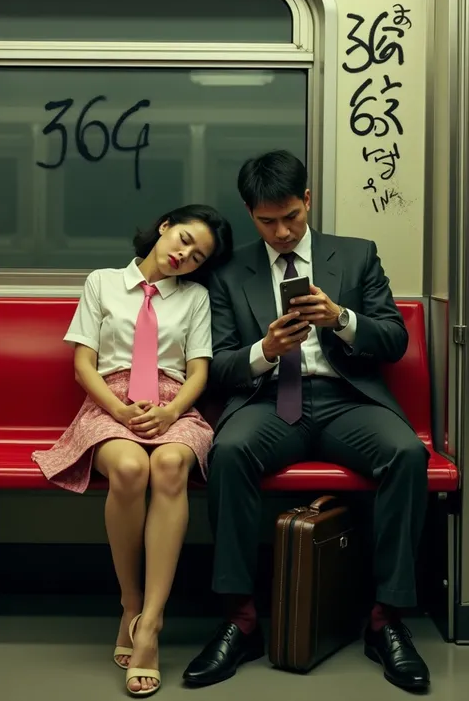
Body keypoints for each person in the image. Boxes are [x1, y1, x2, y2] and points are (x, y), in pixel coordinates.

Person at [182, 151, 430, 692]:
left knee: (408, 454)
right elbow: (219, 366)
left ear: (308, 201)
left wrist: (341, 319)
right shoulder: (228, 274)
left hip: (346, 400)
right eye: (268, 221)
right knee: (229, 453)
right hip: (272, 402)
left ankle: (386, 619)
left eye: (292, 216)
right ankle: (241, 619)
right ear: (250, 213)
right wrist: (264, 350)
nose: (283, 231)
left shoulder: (357, 256)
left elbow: (394, 340)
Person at [32, 204, 233, 697]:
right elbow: (84, 365)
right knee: (127, 468)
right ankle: (130, 603)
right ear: (164, 228)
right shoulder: (102, 282)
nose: (184, 255)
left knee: (167, 465)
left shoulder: (196, 298)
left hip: (175, 404)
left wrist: (168, 414)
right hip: (109, 401)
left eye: (197, 255)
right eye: (183, 239)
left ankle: (152, 624)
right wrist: (120, 413)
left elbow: (200, 372)